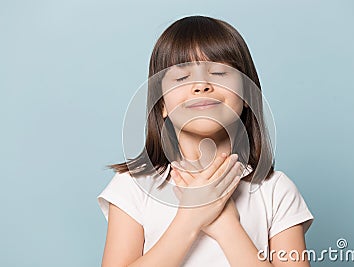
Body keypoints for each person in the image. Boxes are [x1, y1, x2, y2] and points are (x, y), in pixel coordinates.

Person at [97, 15, 314, 267]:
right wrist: (191, 216)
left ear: (247, 94)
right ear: (161, 104)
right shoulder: (133, 186)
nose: (201, 85)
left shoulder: (275, 190)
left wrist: (225, 224)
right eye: (181, 78)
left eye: (220, 72)